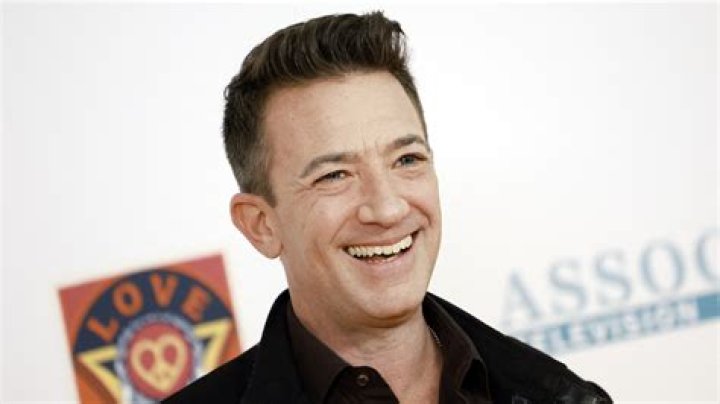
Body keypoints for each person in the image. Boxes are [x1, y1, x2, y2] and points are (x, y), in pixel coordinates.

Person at [165, 11, 612, 404]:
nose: (388, 208)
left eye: (407, 160)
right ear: (262, 225)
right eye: (334, 175)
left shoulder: (559, 393)